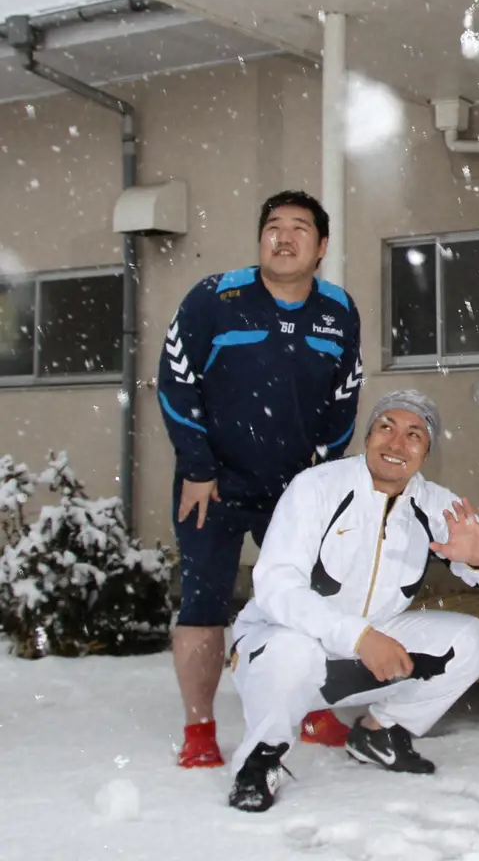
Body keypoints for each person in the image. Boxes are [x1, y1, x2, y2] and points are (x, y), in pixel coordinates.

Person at [227, 390, 479, 812]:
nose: (397, 443)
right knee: (291, 650)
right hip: (277, 647)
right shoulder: (317, 488)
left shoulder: (431, 502)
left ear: (426, 452)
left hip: (361, 652)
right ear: (367, 437)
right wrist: (359, 637)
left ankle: (380, 733)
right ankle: (260, 759)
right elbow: (276, 587)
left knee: (470, 641)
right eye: (386, 427)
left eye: (414, 435)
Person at [158, 190, 363, 767]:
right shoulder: (214, 299)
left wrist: (319, 477)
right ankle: (199, 730)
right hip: (213, 486)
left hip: (293, 492)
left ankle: (312, 708)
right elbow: (175, 382)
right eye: (274, 225)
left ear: (321, 247)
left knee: (308, 599)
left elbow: (344, 400)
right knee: (203, 605)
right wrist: (198, 467)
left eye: (300, 227)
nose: (284, 236)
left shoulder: (338, 310)